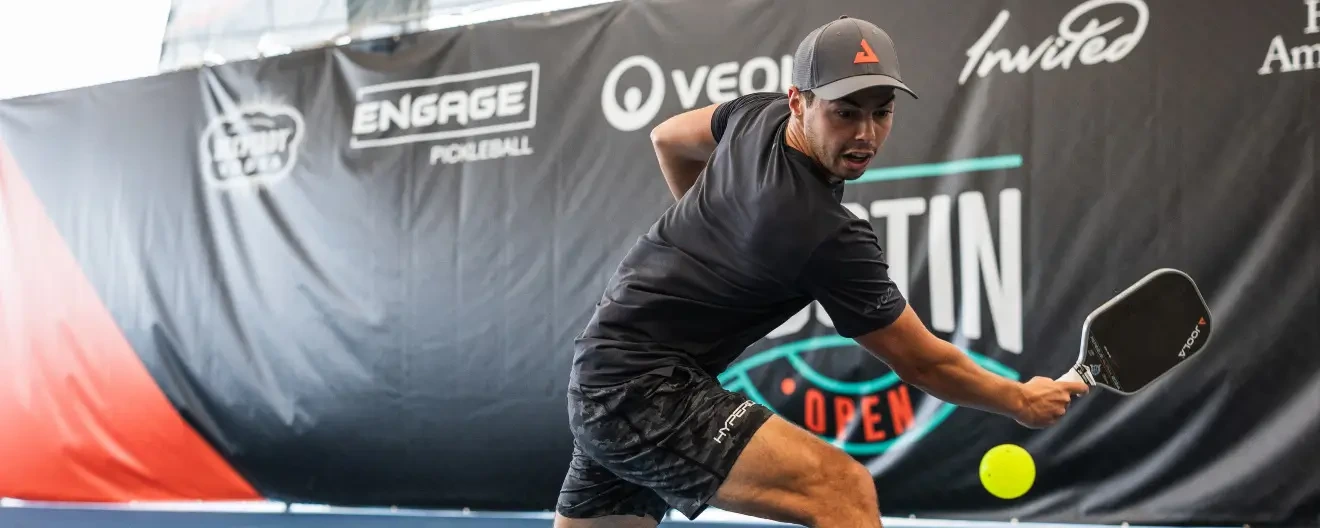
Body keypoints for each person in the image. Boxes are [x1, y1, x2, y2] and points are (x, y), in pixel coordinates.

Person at [554, 15, 1088, 528]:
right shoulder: (820, 232)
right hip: (643, 390)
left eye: (881, 112)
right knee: (840, 489)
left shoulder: (754, 116)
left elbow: (668, 137)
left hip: (605, 375)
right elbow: (923, 364)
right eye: (845, 112)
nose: (866, 134)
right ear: (798, 102)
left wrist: (712, 228)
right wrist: (1021, 400)